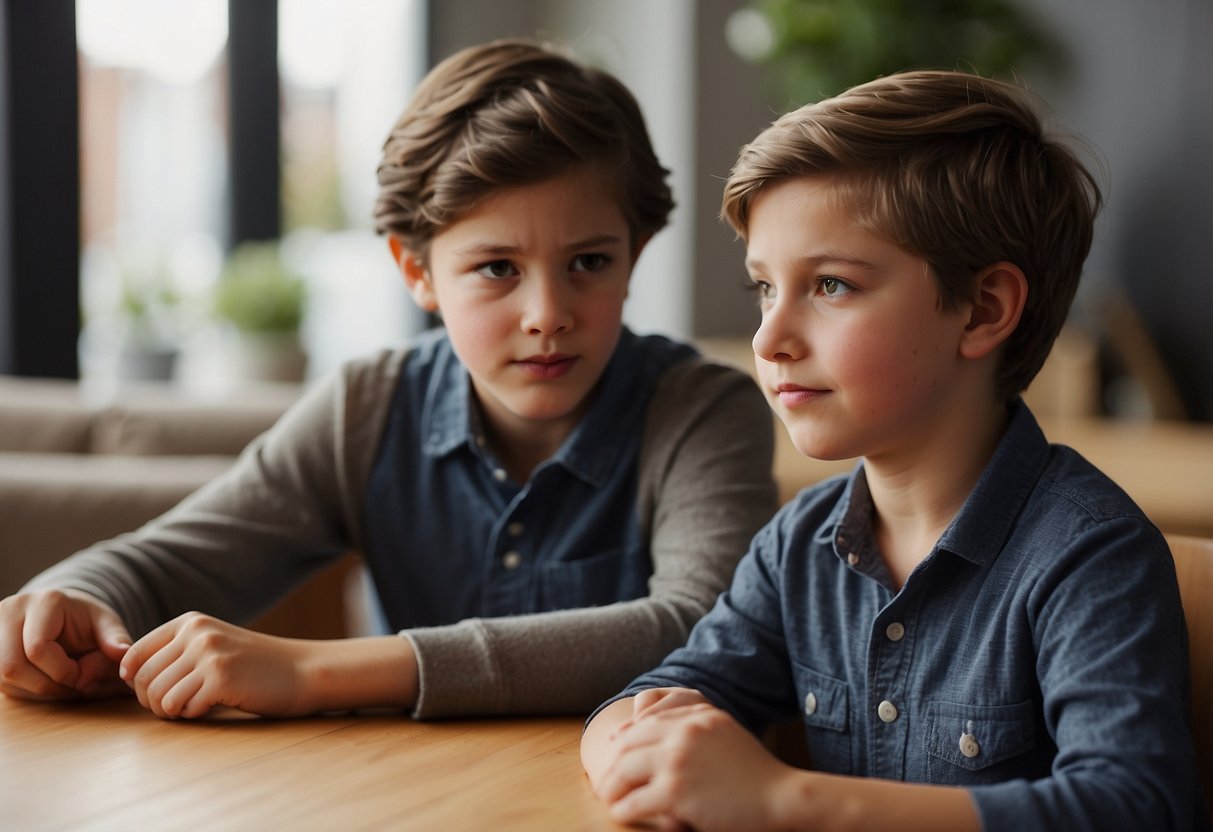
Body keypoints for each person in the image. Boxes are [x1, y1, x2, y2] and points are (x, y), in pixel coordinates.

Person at [0, 40, 778, 721]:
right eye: (496, 268)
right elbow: (171, 559)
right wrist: (72, 595)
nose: (547, 313)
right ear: (417, 271)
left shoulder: (702, 411)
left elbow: (699, 625)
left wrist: (315, 670)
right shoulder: (367, 409)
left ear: (634, 254)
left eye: (588, 263)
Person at [581, 69, 1203, 830]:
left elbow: (1134, 808)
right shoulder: (795, 546)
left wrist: (786, 801)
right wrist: (624, 743)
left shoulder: (1090, 557)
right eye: (764, 289)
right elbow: (667, 690)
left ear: (981, 310)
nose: (769, 340)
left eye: (831, 286)